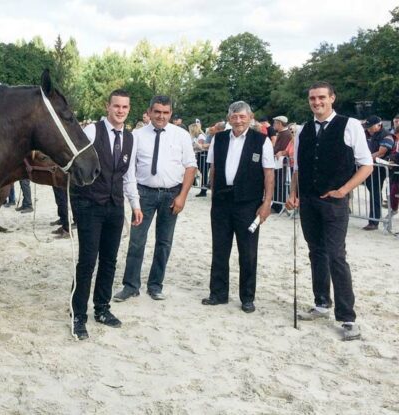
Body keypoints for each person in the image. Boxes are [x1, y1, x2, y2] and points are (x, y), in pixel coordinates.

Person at [286, 82, 373, 341]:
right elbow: (299, 167)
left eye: (322, 97)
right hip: (309, 201)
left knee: (336, 255)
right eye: (312, 98)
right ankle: (322, 302)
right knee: (316, 252)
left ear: (332, 98)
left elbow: (366, 165)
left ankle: (348, 317)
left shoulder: (350, 125)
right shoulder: (303, 130)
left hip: (335, 202)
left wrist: (343, 190)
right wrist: (293, 193)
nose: (317, 102)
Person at [70, 89, 142, 340]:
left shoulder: (130, 139)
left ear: (129, 109)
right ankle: (78, 314)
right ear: (107, 107)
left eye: (125, 107)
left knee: (110, 260)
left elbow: (129, 175)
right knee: (87, 262)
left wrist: (135, 204)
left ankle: (102, 308)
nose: (120, 111)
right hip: (90, 205)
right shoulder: (92, 131)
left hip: (115, 205)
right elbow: (75, 168)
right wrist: (76, 204)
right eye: (116, 106)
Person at [113, 95, 197, 302]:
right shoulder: (137, 135)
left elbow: (190, 166)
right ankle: (131, 285)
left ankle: (155, 285)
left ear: (170, 113)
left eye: (165, 112)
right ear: (149, 112)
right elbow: (129, 169)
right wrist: (133, 199)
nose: (161, 116)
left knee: (164, 242)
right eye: (157, 112)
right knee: (136, 241)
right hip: (144, 194)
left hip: (172, 194)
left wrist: (182, 197)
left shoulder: (182, 135)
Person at [202, 101, 274, 313]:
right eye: (234, 116)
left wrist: (266, 203)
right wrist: (214, 197)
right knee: (220, 249)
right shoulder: (219, 139)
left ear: (250, 117)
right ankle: (218, 293)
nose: (238, 120)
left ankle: (247, 297)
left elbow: (269, 173)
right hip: (222, 202)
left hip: (249, 204)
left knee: (248, 252)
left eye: (242, 116)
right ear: (229, 118)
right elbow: (214, 169)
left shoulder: (261, 141)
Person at [362, 115, 393, 230]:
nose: (368, 129)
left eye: (370, 126)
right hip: (369, 166)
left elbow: (380, 153)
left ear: (378, 125)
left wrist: (363, 158)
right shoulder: (368, 134)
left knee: (375, 193)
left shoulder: (387, 136)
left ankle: (374, 221)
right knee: (374, 193)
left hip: (379, 169)